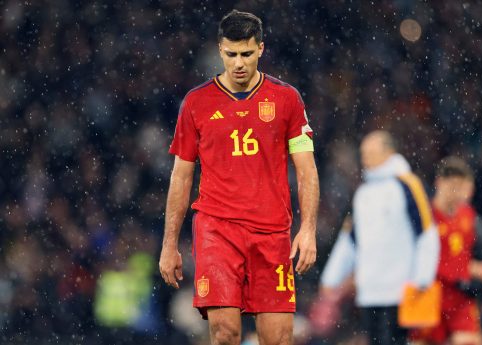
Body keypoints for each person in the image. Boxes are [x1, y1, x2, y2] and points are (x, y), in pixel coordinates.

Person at [158, 10, 319, 345]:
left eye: (247, 53)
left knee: (278, 338)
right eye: (231, 54)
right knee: (226, 333)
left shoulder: (287, 99)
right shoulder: (196, 103)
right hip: (217, 230)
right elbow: (181, 177)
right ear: (220, 50)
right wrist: (169, 244)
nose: (239, 63)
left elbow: (306, 169)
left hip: (272, 232)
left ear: (261, 49)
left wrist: (308, 229)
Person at [320, 130, 440, 345]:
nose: (365, 157)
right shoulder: (363, 193)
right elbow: (350, 240)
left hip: (400, 288)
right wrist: (331, 277)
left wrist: (423, 277)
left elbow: (427, 233)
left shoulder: (408, 185)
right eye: (363, 152)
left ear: (389, 152)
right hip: (370, 288)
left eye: (371, 152)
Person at [411, 157, 482, 345]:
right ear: (439, 183)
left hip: (459, 297)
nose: (457, 193)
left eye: (462, 187)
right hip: (426, 293)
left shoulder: (470, 218)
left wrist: (471, 272)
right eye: (453, 185)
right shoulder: (424, 216)